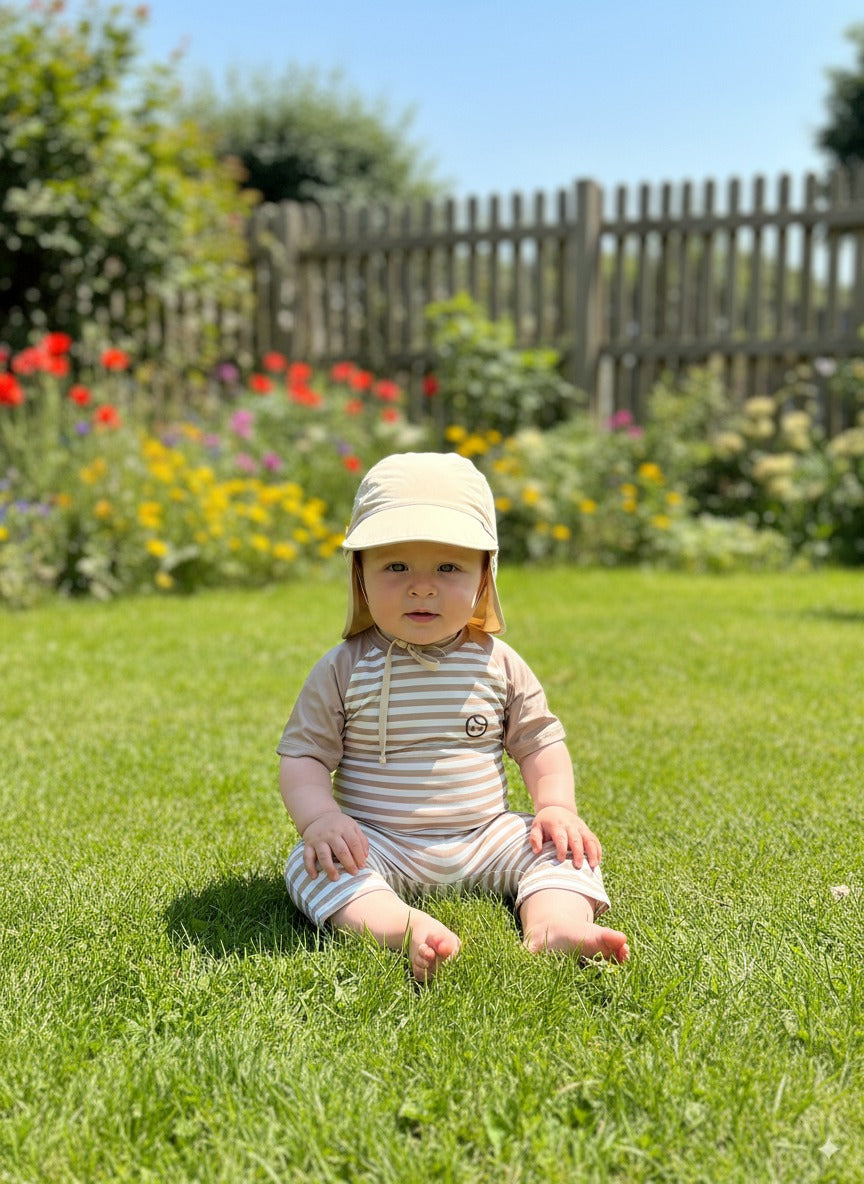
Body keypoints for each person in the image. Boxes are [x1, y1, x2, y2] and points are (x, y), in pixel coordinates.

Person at [277, 452, 630, 981]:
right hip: (380, 842)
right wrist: (322, 820)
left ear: (484, 576)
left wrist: (556, 805)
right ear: (361, 575)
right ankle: (399, 925)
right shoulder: (344, 668)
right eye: (396, 567)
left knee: (562, 850)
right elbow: (303, 755)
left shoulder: (497, 663)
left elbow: (538, 743)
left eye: (448, 567)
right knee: (309, 867)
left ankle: (555, 923)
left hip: (487, 836)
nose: (423, 587)